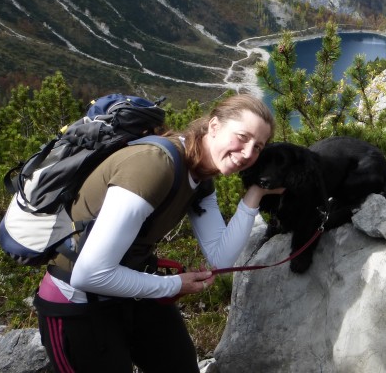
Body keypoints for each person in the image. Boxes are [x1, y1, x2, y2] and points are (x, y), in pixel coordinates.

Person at [33, 94, 280, 373]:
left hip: (131, 292)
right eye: (242, 137)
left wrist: (254, 195)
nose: (248, 153)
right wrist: (176, 285)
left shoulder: (201, 178)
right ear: (213, 126)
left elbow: (221, 259)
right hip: (77, 302)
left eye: (258, 146)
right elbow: (90, 274)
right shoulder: (154, 166)